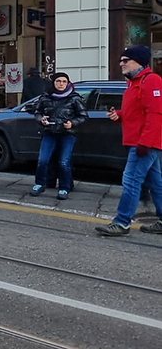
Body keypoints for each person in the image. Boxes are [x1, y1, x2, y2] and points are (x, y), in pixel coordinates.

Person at [95, 46, 162, 236]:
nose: (121, 64)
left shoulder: (151, 80)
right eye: (121, 60)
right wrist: (120, 114)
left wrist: (145, 143)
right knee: (155, 182)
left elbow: (156, 114)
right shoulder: (133, 83)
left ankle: (122, 222)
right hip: (138, 141)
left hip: (144, 142)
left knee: (131, 180)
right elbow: (137, 112)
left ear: (139, 61)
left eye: (126, 60)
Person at [30, 72, 87, 200]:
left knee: (63, 162)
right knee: (42, 160)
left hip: (67, 134)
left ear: (67, 83)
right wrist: (41, 120)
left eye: (64, 81)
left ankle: (64, 188)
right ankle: (39, 184)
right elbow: (37, 112)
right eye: (58, 81)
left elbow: (83, 116)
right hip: (49, 132)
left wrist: (72, 123)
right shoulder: (45, 97)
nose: (61, 84)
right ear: (53, 83)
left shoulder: (75, 98)